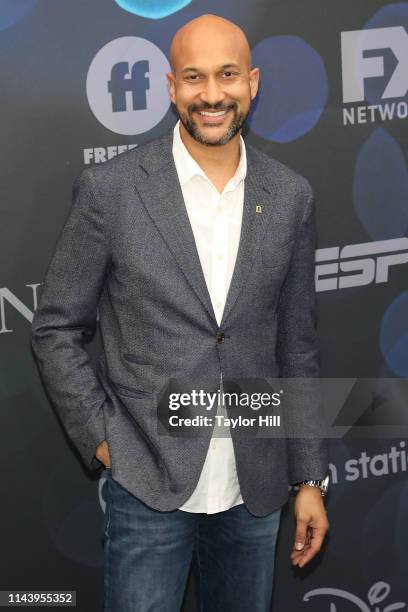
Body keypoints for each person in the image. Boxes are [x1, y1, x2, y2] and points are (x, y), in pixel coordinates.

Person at [31, 13, 330, 612]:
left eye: (227, 76)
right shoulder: (111, 190)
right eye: (194, 78)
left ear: (254, 82)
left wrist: (308, 478)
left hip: (256, 488)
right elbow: (56, 326)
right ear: (171, 87)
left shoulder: (291, 195)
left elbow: (296, 346)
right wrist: (103, 439)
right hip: (147, 484)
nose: (212, 95)